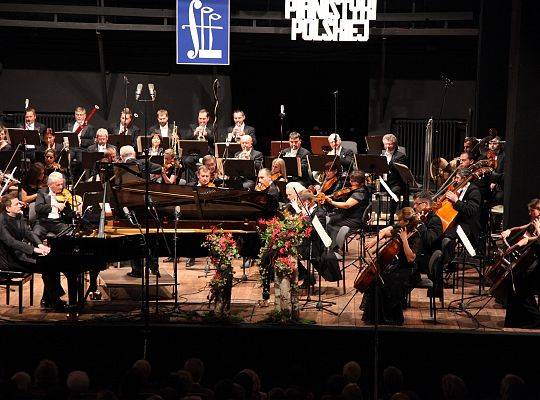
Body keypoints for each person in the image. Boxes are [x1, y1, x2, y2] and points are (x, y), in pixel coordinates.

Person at [0, 195, 67, 310]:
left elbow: (29, 233)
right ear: (8, 208)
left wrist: (40, 244)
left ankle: (49, 299)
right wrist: (35, 250)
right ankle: (53, 301)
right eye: (16, 204)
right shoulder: (1, 221)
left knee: (52, 263)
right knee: (47, 266)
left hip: (21, 254)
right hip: (9, 260)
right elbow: (11, 242)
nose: (20, 205)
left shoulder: (19, 216)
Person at [361, 207, 422, 325]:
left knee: (389, 282)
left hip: (409, 269)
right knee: (377, 279)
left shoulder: (416, 235)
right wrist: (374, 240)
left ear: (407, 221)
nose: (398, 222)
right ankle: (376, 317)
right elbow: (385, 232)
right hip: (397, 265)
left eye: (400, 220)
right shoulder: (402, 229)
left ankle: (392, 317)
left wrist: (404, 240)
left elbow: (411, 258)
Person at [500, 199, 540, 328]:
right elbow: (523, 227)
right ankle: (516, 321)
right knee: (515, 281)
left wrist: (529, 238)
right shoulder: (536, 221)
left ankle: (534, 319)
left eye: (532, 211)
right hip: (533, 261)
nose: (530, 213)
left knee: (521, 283)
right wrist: (510, 230)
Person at [439, 168, 482, 270]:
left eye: (457, 178)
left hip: (468, 224)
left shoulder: (474, 191)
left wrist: (456, 200)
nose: (455, 180)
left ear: (465, 179)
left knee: (447, 237)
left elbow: (471, 211)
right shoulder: (457, 189)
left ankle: (450, 263)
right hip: (456, 221)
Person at [325, 170, 370, 249]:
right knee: (331, 218)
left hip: (355, 219)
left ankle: (333, 247)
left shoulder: (360, 193)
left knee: (331, 223)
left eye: (354, 181)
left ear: (361, 182)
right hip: (349, 215)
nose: (351, 182)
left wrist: (331, 202)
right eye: (351, 180)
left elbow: (347, 205)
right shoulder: (357, 189)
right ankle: (330, 245)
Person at [411, 191, 443, 285]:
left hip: (423, 260)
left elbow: (428, 240)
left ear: (425, 204)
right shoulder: (420, 217)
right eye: (414, 204)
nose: (414, 207)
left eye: (417, 204)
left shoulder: (434, 219)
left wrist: (420, 224)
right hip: (416, 255)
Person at [32, 172, 71, 239]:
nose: (61, 187)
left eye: (62, 184)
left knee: (69, 234)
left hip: (58, 222)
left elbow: (68, 212)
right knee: (35, 234)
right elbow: (38, 208)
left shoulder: (64, 194)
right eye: (58, 185)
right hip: (43, 223)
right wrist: (55, 206)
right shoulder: (42, 192)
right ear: (50, 185)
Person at [381, 133, 408, 225]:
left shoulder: (400, 155)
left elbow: (395, 168)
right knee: (367, 188)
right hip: (384, 182)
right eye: (386, 144)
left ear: (395, 144)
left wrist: (387, 157)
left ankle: (391, 217)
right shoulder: (382, 154)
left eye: (390, 144)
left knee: (394, 193)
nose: (388, 146)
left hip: (396, 182)